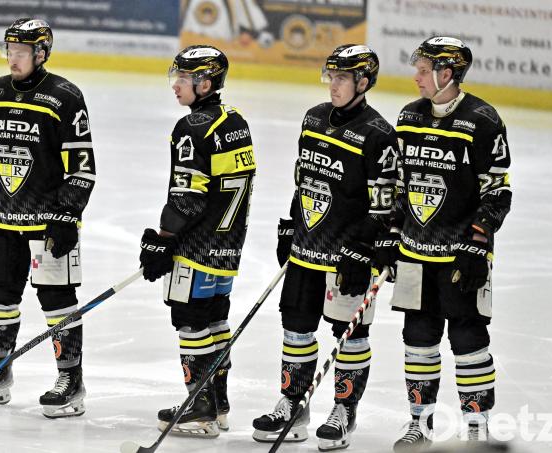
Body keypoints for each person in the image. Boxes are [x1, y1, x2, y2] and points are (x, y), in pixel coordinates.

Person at [251, 44, 398, 451]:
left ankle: (344, 410)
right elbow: (305, 181)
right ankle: (293, 405)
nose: (333, 85)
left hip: (347, 256)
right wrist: (290, 224)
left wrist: (363, 248)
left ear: (363, 82)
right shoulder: (313, 118)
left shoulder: (379, 134)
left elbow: (385, 205)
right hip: (307, 247)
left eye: (342, 78)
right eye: (331, 76)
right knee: (296, 327)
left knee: (350, 334)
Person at [380, 37, 513, 451]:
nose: (416, 77)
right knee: (418, 338)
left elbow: (497, 192)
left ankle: (477, 427)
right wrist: (391, 236)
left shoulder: (482, 120)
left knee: (468, 340)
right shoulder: (409, 116)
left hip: (461, 256)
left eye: (424, 70)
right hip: (414, 254)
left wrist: (477, 244)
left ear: (447, 73)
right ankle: (419, 423)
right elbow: (399, 186)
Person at [0, 18, 97, 419]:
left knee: (57, 301)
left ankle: (70, 380)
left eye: (21, 52)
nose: (13, 59)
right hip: (4, 219)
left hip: (49, 223)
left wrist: (67, 214)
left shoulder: (64, 96)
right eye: (10, 50)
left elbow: (83, 168)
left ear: (41, 54)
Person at [138, 44, 255, 438]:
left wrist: (163, 239)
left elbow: (187, 196)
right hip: (228, 246)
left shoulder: (191, 128)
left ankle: (199, 407)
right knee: (215, 320)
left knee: (189, 321)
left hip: (197, 246)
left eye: (183, 79)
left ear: (205, 83)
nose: (175, 85)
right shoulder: (235, 121)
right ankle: (218, 402)